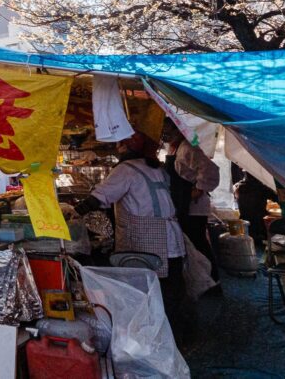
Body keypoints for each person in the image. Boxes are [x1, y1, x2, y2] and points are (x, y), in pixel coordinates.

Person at [75, 132, 186, 324]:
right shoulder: (156, 169)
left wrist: (73, 212)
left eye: (120, 144)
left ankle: (152, 335)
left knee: (145, 290)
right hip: (171, 239)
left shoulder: (125, 169)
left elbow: (100, 197)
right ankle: (178, 335)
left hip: (144, 242)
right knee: (172, 289)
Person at [168, 122, 221, 282]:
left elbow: (210, 169)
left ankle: (211, 280)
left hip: (194, 206)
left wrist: (199, 188)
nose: (165, 134)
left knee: (197, 242)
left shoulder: (186, 148)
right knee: (193, 243)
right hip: (184, 203)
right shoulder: (175, 148)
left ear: (178, 131)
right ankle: (201, 278)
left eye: (168, 130)